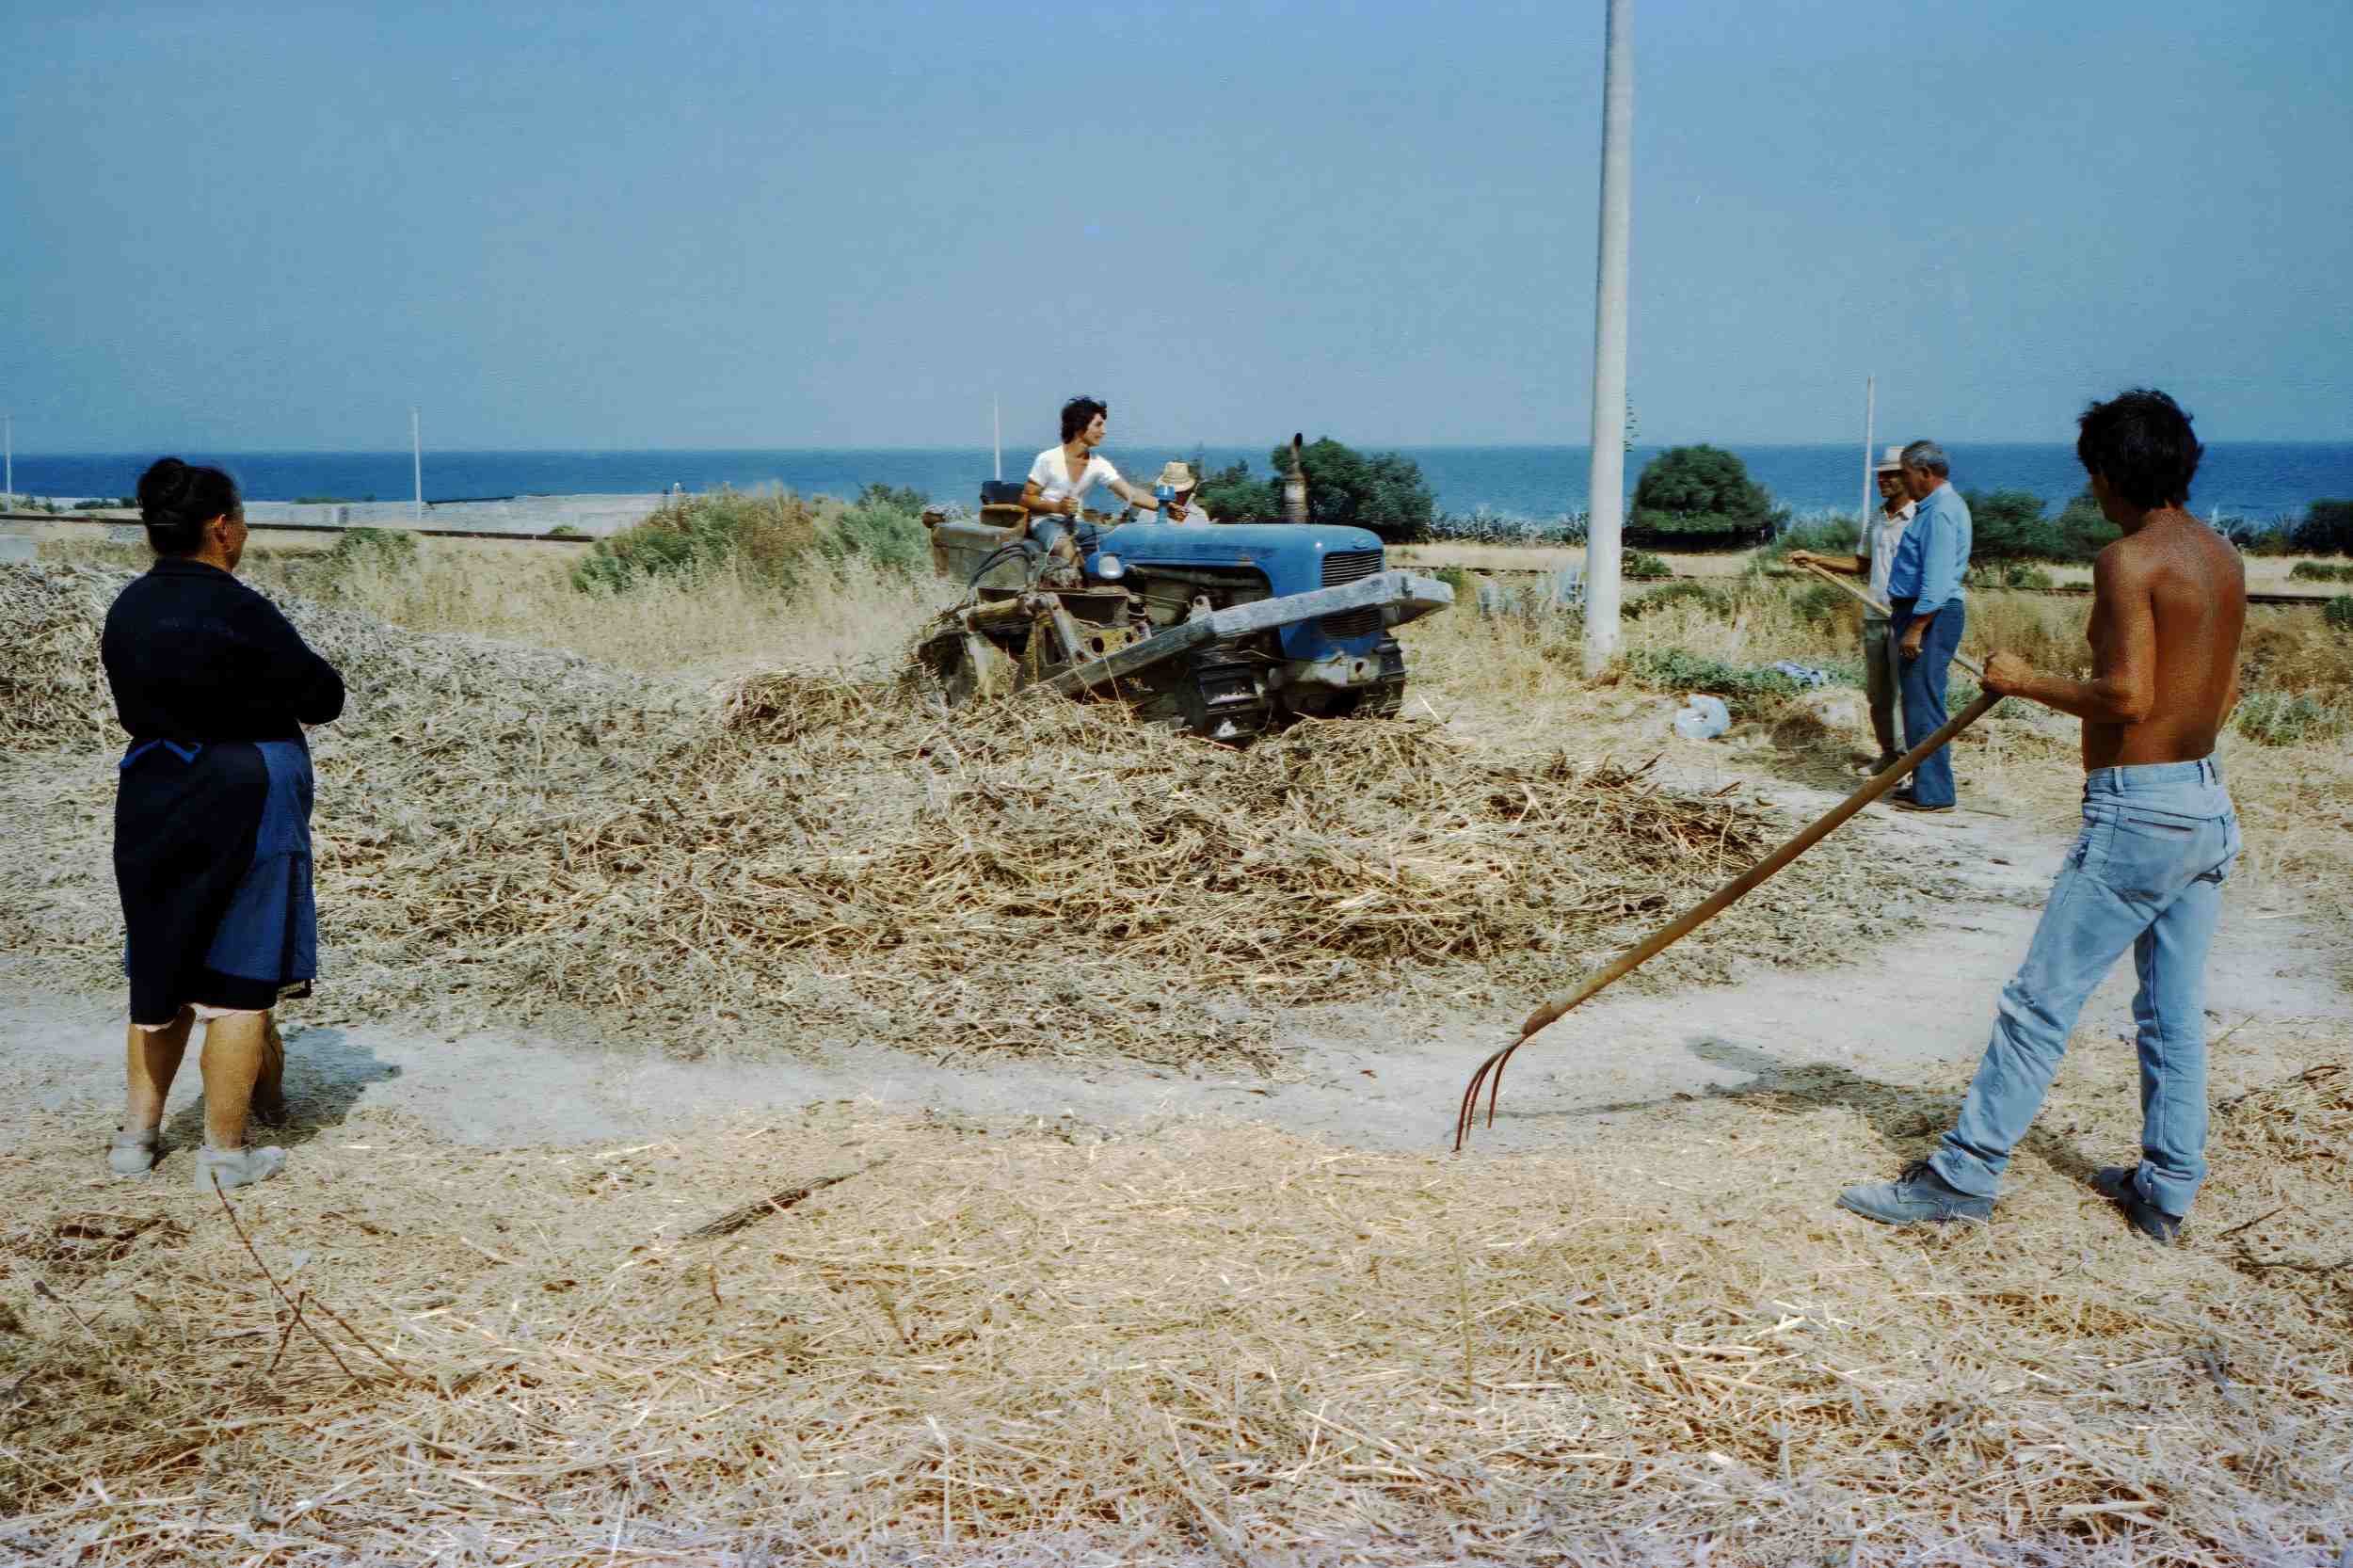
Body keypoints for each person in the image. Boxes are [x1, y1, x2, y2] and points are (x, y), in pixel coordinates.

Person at [1838, 390, 2245, 1244]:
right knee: (2170, 1013)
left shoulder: (2129, 560)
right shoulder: (2221, 556)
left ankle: (1962, 1176)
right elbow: (2226, 690)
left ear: (2108, 475)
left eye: (2092, 473)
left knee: (2039, 1003)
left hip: (2140, 812)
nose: (2091, 488)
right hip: (2206, 802)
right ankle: (2167, 1189)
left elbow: (2126, 695)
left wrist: (2023, 682)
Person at [101, 457, 346, 1192]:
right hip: (244, 785)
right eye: (241, 519)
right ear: (221, 527)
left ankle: (136, 1141)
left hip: (150, 783)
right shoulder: (240, 608)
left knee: (161, 961)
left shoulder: (129, 607)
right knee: (242, 972)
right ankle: (225, 1155)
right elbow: (323, 697)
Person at [1788, 445, 1914, 774]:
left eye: (1890, 475)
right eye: (1881, 476)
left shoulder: (1921, 517)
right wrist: (1816, 558)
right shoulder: (1877, 517)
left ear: (1908, 477)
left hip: (1906, 618)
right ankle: (1888, 755)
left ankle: (1909, 764)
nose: (1883, 481)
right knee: (1879, 694)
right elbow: (1861, 564)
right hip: (1875, 615)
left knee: (1905, 695)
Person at [1881, 440, 1973, 812]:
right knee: (1917, 702)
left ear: (1924, 473)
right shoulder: (1936, 507)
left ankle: (1934, 793)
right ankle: (1926, 785)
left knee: (1924, 703)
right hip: (1921, 612)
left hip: (1928, 615)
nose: (1903, 482)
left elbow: (1936, 580)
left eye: (1905, 474)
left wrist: (1917, 627)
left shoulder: (1940, 512)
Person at [1020, 397, 1169, 524]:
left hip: (1077, 525)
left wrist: (1166, 508)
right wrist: (1057, 508)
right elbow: (1026, 498)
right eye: (1098, 425)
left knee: (1109, 544)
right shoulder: (1048, 459)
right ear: (1079, 426)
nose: (1104, 431)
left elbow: (1131, 494)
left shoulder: (1098, 463)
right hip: (1046, 522)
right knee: (1063, 545)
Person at [1152, 460, 1215, 524]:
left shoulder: (1199, 516)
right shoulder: (1149, 511)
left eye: (1179, 492)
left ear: (1189, 490)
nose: (1174, 495)